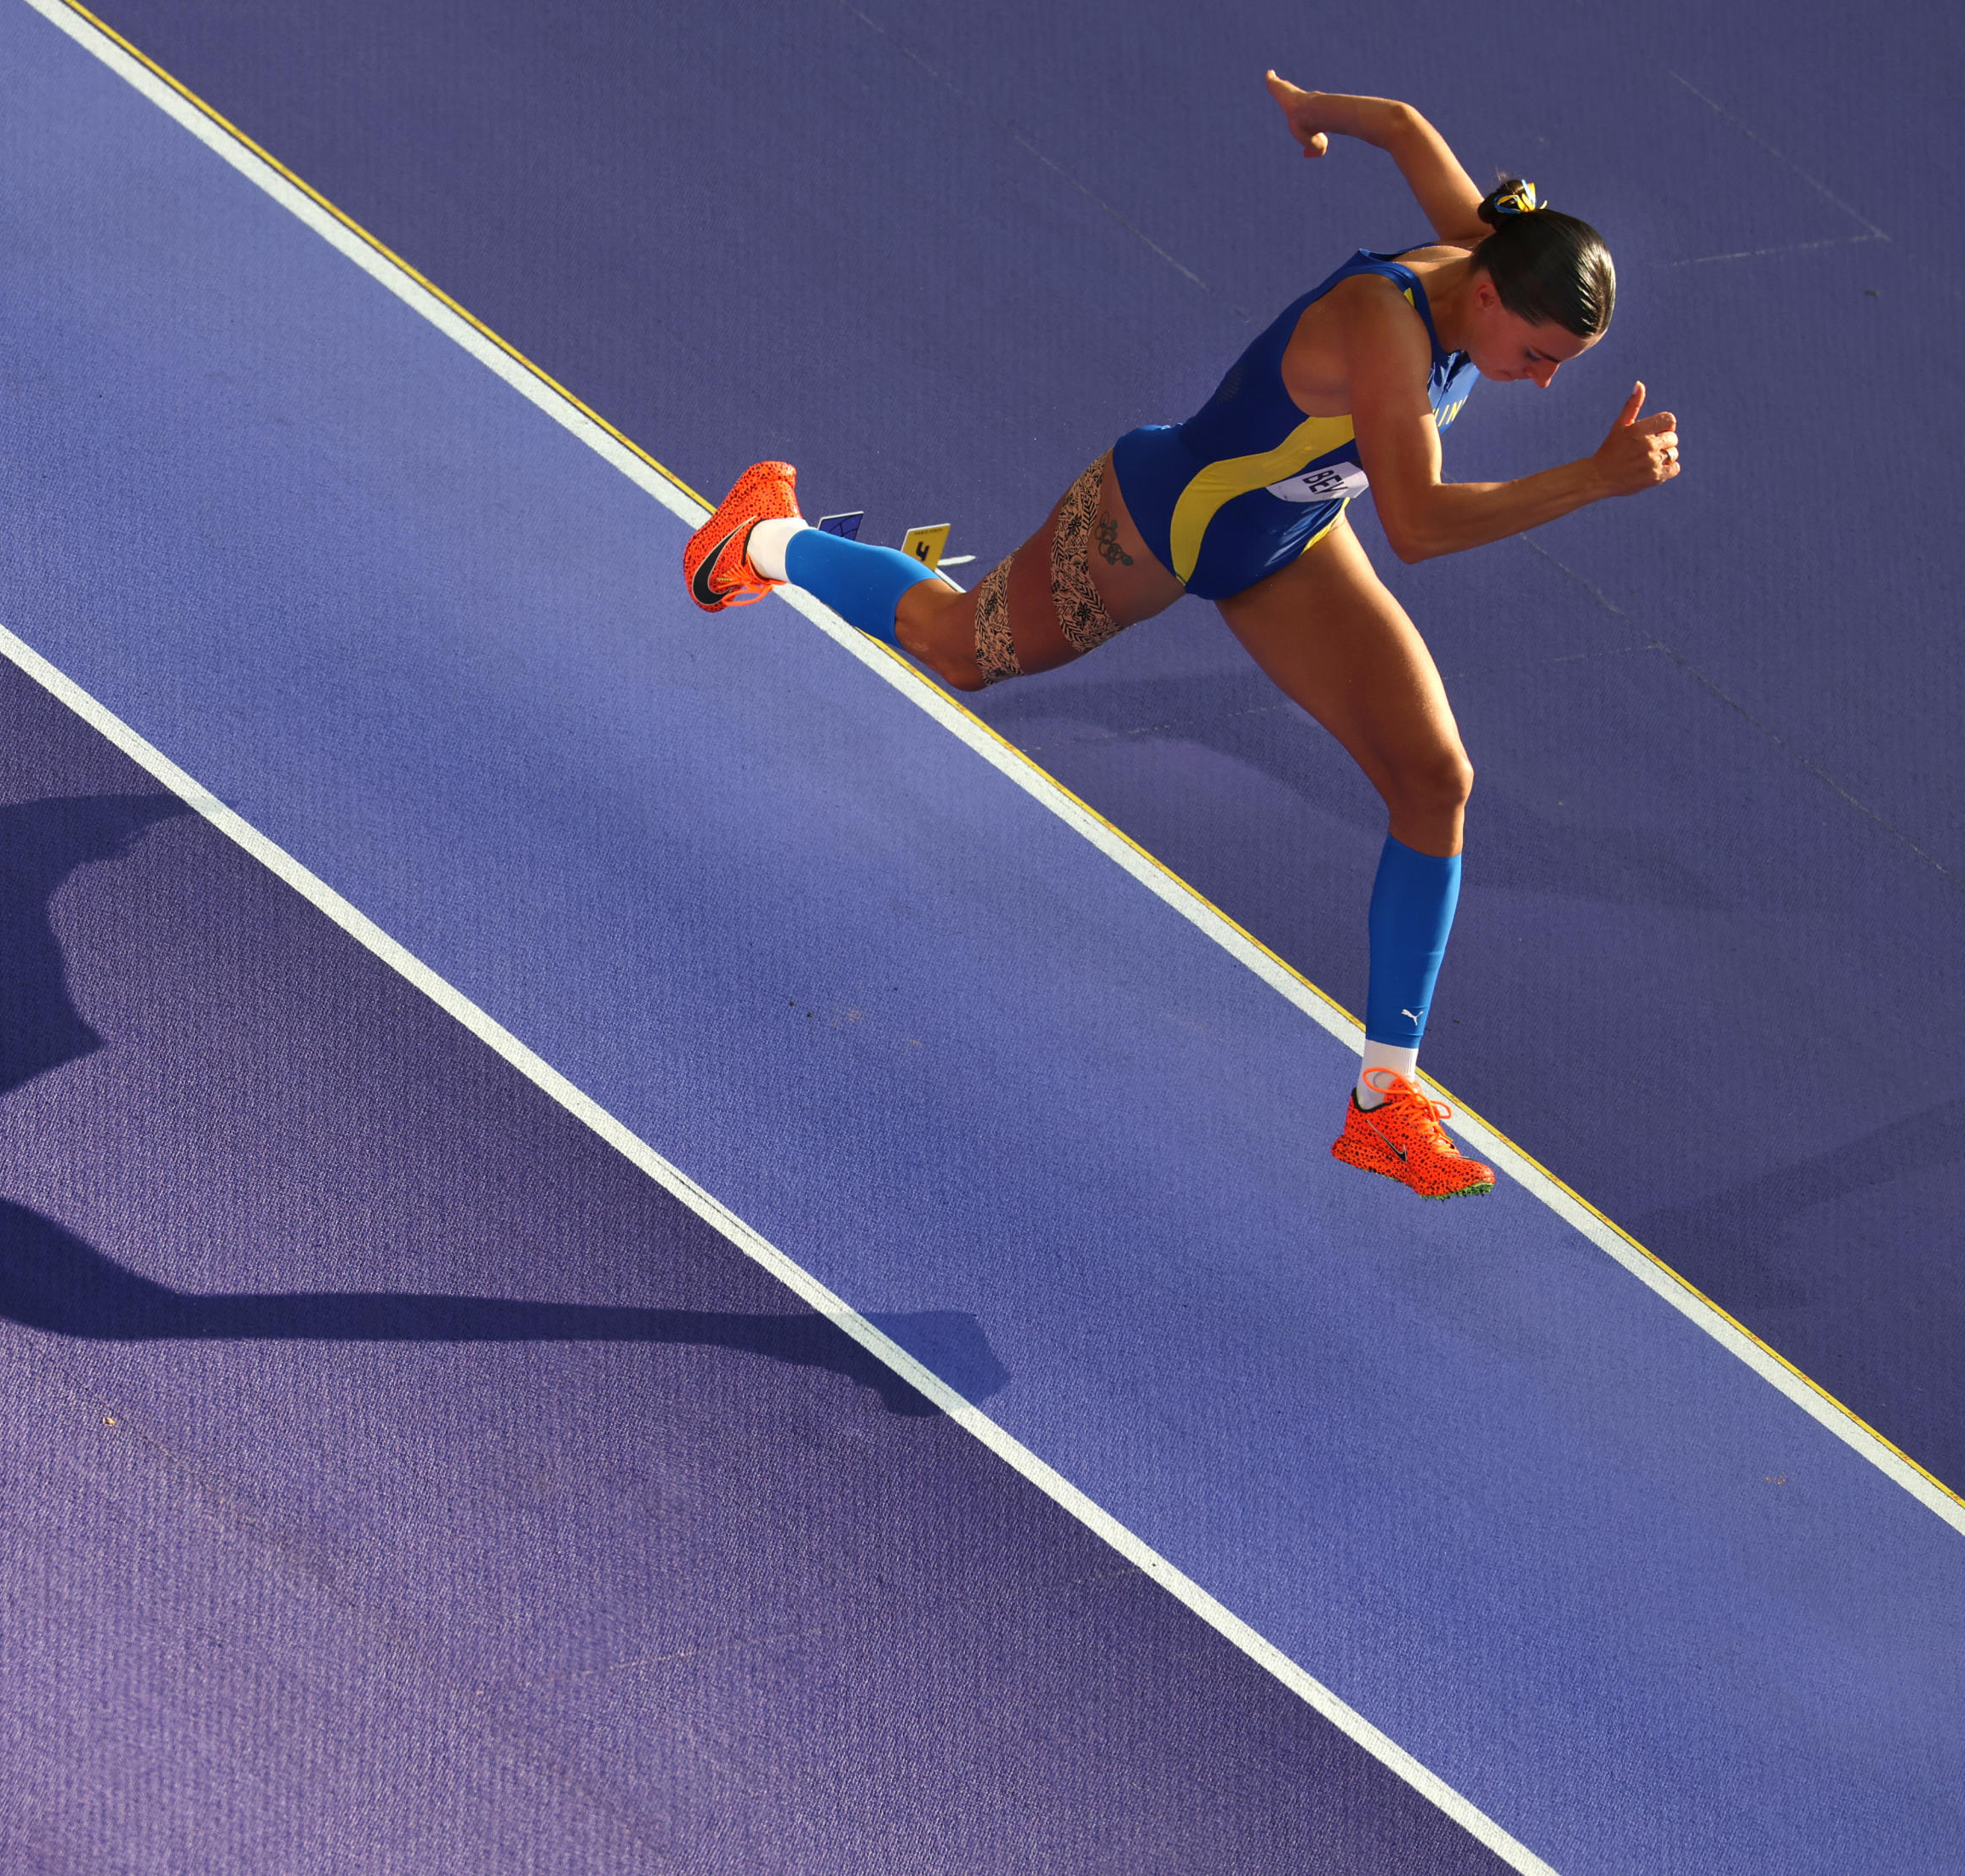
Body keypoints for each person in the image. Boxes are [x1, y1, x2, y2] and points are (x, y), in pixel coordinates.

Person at [683, 71, 1682, 1199]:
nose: (1542, 382)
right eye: (1539, 354)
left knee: (1434, 777)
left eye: (1562, 368)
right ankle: (768, 538)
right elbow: (1418, 526)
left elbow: (1403, 126)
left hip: (1288, 545)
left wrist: (1312, 109)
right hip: (1156, 524)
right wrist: (1594, 481)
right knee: (960, 649)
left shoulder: (1490, 246)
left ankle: (1382, 1099)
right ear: (1490, 297)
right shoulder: (1384, 329)